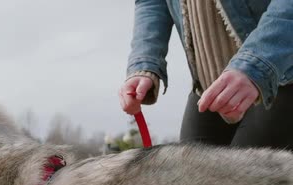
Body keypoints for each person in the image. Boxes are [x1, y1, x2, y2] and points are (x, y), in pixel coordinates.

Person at [118, 0, 293, 150]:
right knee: (189, 182)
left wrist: (256, 63)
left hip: (283, 73)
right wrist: (144, 64)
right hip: (209, 84)